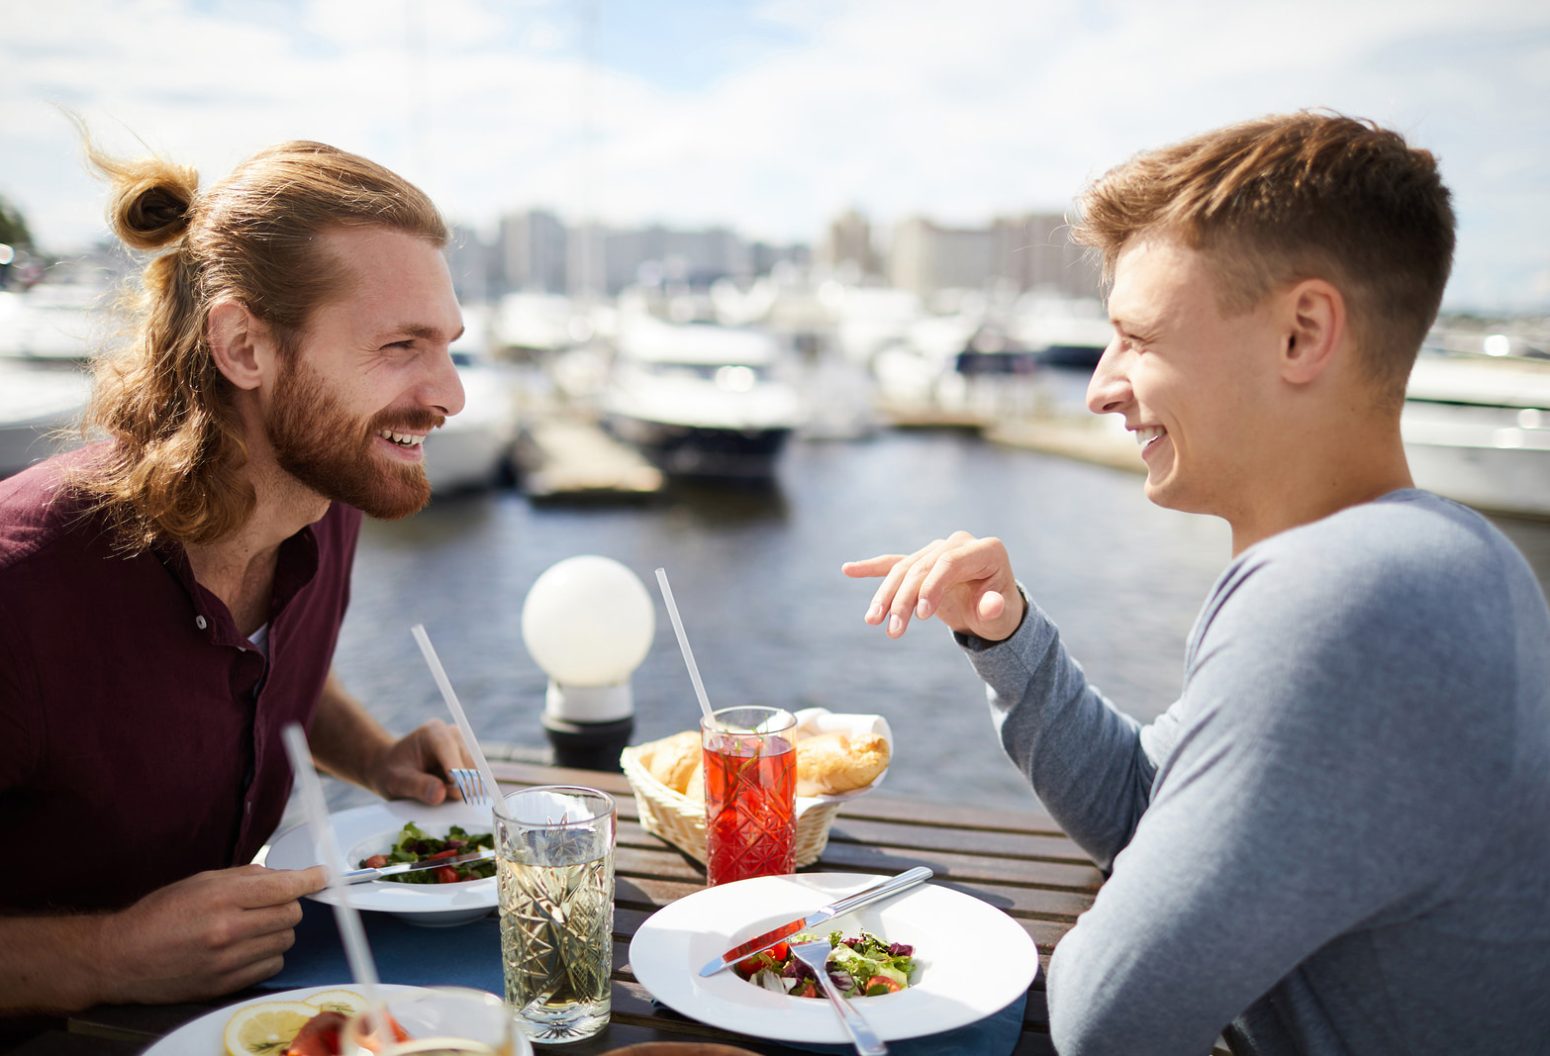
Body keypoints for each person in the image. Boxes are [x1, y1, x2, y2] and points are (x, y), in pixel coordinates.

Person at [844, 112, 1550, 1054]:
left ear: (1303, 334)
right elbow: (1147, 807)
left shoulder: (1345, 597)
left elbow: (1107, 1018)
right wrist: (1007, 637)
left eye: (1138, 337)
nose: (1100, 387)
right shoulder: (1448, 554)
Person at [0, 138, 478, 1015]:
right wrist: (106, 957)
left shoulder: (324, 493)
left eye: (446, 345)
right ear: (244, 347)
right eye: (401, 345)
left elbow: (258, 656)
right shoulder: (21, 589)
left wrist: (373, 756)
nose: (449, 394)